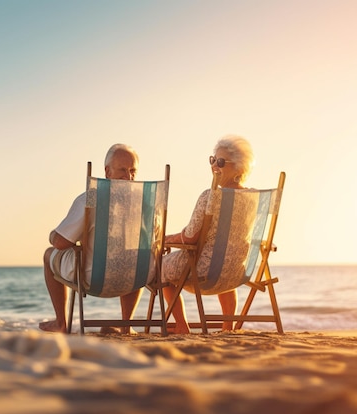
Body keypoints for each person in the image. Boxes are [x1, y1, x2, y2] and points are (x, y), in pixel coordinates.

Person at [39, 144, 143, 334]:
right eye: (122, 170)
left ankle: (61, 323)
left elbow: (61, 243)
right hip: (135, 278)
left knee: (49, 254)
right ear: (107, 171)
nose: (128, 177)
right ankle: (126, 325)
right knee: (134, 259)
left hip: (92, 277)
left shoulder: (92, 198)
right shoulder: (144, 201)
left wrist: (53, 234)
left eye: (132, 171)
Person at [162, 134, 255, 334]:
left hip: (204, 271)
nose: (214, 166)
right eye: (212, 160)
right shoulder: (254, 199)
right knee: (226, 257)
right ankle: (227, 327)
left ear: (239, 168)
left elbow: (189, 238)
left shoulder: (211, 196)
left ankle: (181, 326)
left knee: (160, 268)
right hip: (238, 272)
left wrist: (166, 239)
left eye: (221, 162)